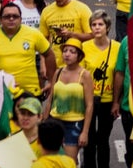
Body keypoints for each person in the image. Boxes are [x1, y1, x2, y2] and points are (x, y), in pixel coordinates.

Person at [0, 2, 55, 95]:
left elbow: (49, 54)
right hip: (1, 93)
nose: (11, 19)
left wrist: (51, 81)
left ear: (21, 19)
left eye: (15, 16)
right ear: (0, 19)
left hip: (30, 93)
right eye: (7, 16)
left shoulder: (34, 34)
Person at [44, 37, 94, 162]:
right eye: (65, 51)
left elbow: (89, 105)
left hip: (74, 123)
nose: (67, 54)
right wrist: (44, 119)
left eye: (72, 52)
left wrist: (85, 132)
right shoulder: (58, 72)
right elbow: (51, 99)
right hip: (54, 121)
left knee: (69, 161)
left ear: (79, 56)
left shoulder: (85, 75)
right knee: (52, 160)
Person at [83, 9, 120, 168]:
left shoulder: (117, 47)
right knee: (89, 138)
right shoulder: (84, 47)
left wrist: (116, 102)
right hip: (89, 101)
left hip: (107, 100)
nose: (97, 27)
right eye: (93, 24)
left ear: (107, 27)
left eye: (100, 24)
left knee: (103, 138)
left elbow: (120, 74)